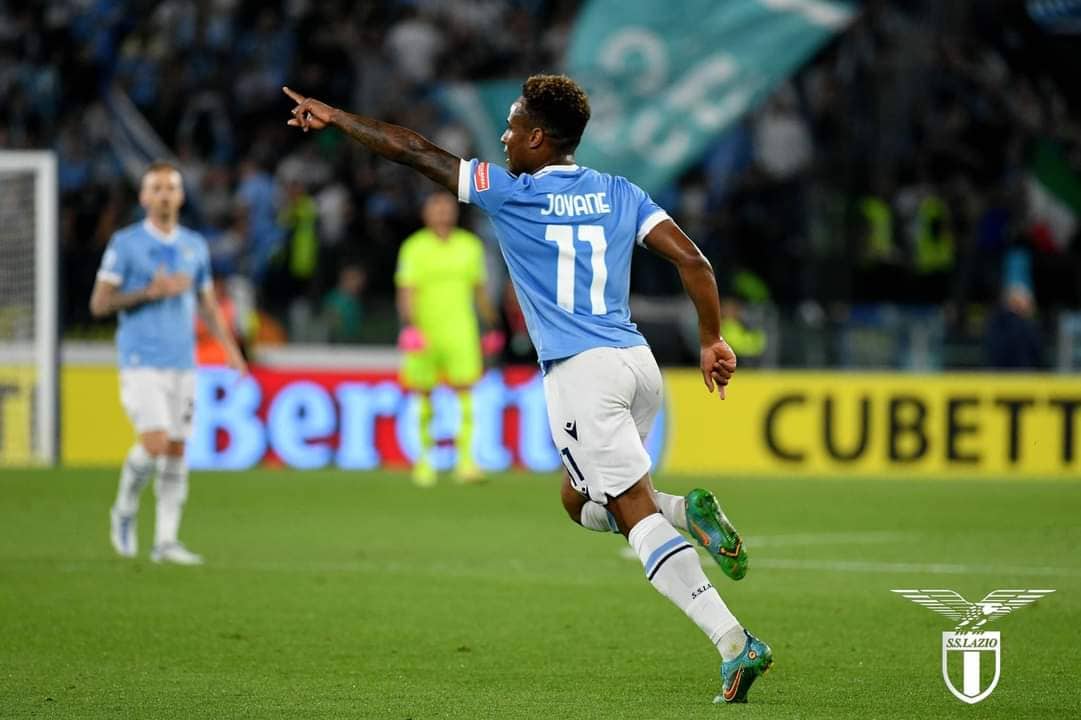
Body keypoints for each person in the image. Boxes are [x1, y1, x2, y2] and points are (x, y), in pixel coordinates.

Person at [283, 74, 772, 703]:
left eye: (513, 127)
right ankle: (684, 512)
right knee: (576, 499)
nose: (505, 138)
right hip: (636, 363)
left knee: (632, 514)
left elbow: (414, 150)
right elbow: (694, 262)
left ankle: (733, 641)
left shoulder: (510, 194)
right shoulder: (620, 192)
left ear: (538, 138)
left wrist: (338, 116)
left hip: (581, 374)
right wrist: (711, 339)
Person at [90, 161, 247, 566]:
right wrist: (148, 292)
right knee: (155, 443)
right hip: (141, 359)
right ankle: (124, 508)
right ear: (144, 197)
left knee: (176, 449)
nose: (164, 195)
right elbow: (99, 304)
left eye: (170, 188)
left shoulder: (194, 245)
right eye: (156, 188)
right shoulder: (125, 243)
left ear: (181, 196)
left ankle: (165, 541)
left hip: (183, 361)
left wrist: (231, 350)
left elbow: (208, 305)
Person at [395, 192, 502, 486]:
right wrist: (409, 327)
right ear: (425, 214)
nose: (442, 214)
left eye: (447, 208)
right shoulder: (414, 247)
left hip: (461, 331)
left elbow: (480, 291)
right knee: (423, 394)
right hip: (425, 332)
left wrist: (491, 326)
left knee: (465, 393)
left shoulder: (470, 246)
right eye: (436, 208)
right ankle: (423, 461)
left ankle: (466, 462)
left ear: (455, 213)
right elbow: (406, 291)